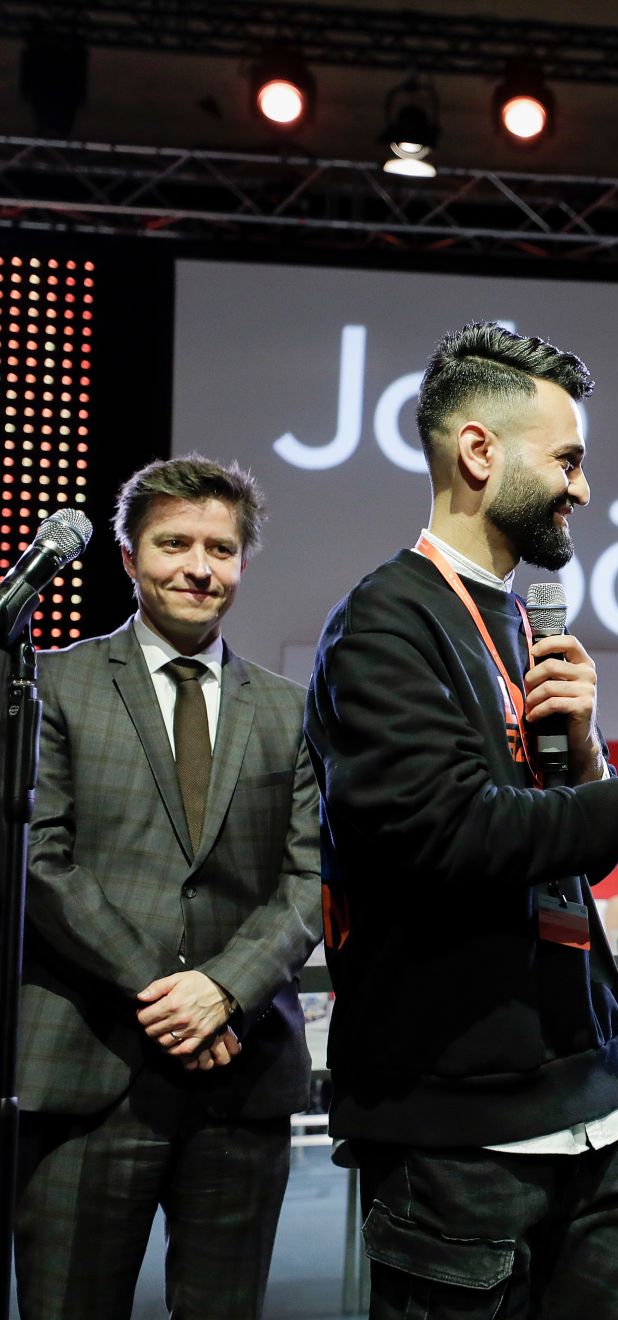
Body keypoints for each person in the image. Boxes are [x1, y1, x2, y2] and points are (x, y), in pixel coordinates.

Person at [304, 322, 618, 1319]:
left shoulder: (524, 625)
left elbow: (557, 861)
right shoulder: (386, 620)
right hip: (457, 1134)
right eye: (566, 460)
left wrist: (589, 755)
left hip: (595, 1115)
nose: (581, 488)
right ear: (479, 452)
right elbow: (445, 837)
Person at [16, 457, 322, 1319]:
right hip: (89, 1068)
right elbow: (42, 858)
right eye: (174, 543)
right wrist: (174, 998)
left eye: (220, 548)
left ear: (243, 563)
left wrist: (224, 991)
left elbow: (311, 876)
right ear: (127, 555)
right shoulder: (53, 681)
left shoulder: (292, 709)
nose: (199, 566)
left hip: (241, 1078)